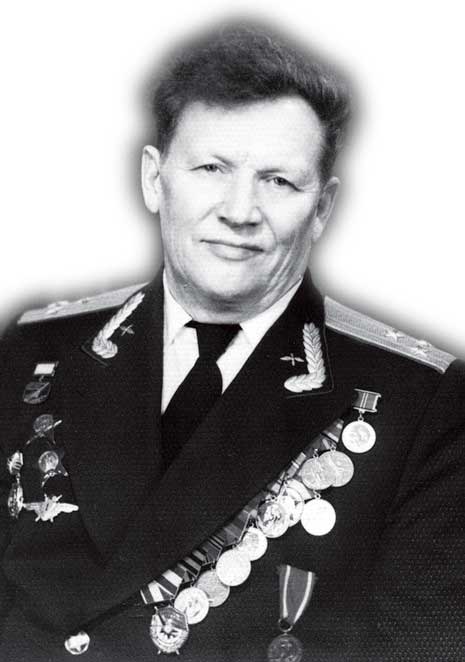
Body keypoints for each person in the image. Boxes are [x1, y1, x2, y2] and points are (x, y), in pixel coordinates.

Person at [0, 20, 464, 662]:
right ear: (154, 179)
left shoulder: (420, 403)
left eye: (279, 181)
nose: (240, 211)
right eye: (212, 168)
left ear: (322, 208)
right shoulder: (38, 350)